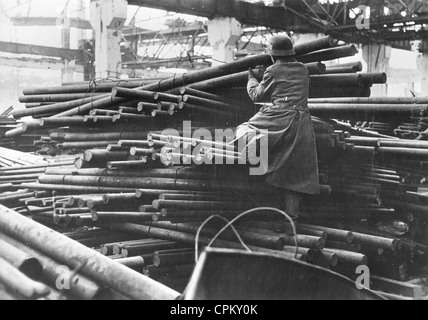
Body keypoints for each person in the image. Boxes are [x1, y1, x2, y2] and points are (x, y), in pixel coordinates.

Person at [236, 34, 320, 218]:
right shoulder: (303, 69)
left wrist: (251, 78)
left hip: (280, 118)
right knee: (294, 176)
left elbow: (257, 95)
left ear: (272, 55)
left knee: (243, 129)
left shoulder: (273, 70)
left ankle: (250, 159)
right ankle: (292, 224)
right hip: (303, 122)